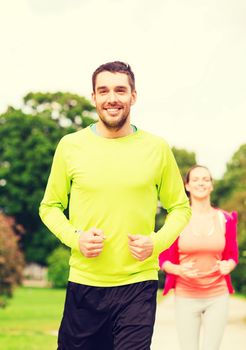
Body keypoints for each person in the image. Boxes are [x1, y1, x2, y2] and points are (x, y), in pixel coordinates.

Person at [39, 60, 191, 350]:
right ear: (93, 97)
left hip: (137, 283)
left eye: (120, 90)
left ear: (133, 96)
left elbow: (180, 208)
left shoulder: (157, 148)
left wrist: (156, 243)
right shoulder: (70, 146)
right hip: (85, 284)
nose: (112, 98)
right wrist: (75, 238)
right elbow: (50, 206)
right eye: (104, 91)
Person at [159, 165, 238, 350]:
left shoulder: (225, 219)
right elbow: (162, 259)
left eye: (205, 179)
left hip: (217, 295)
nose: (201, 183)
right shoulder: (177, 219)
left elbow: (233, 255)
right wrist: (177, 269)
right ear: (187, 186)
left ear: (211, 185)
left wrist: (229, 265)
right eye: (195, 179)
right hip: (186, 295)